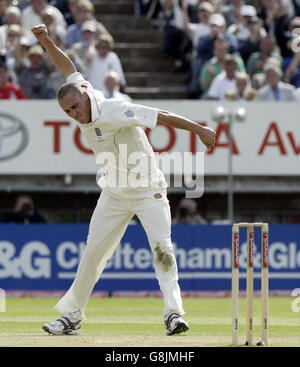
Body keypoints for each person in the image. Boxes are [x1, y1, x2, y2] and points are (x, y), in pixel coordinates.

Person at [31, 23, 216, 336]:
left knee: (163, 251)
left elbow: (161, 115)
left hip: (148, 191)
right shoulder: (80, 91)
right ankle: (72, 317)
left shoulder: (115, 110)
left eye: (75, 107)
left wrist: (199, 129)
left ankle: (173, 314)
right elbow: (67, 66)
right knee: (93, 254)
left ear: (85, 99)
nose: (73, 114)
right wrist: (46, 40)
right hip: (114, 192)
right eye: (67, 111)